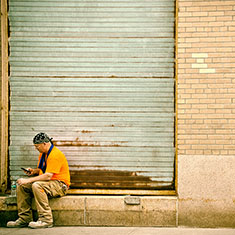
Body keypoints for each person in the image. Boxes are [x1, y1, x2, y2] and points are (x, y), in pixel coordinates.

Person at [7, 132, 71, 229]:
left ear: (44, 144)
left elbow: (48, 176)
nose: (36, 148)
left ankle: (46, 220)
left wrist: (28, 180)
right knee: (22, 186)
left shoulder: (55, 155)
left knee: (36, 185)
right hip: (48, 183)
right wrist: (33, 171)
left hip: (60, 185)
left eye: (37, 146)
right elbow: (44, 171)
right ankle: (24, 218)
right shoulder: (43, 154)